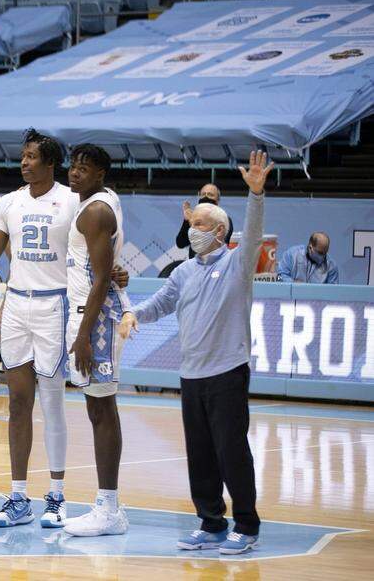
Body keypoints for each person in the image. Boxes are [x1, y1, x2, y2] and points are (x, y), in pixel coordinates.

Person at [121, 151, 272, 555]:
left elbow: (254, 235)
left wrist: (256, 195)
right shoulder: (184, 272)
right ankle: (211, 522)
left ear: (220, 231)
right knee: (199, 455)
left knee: (232, 452)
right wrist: (134, 313)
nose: (193, 230)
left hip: (227, 373)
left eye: (201, 225)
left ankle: (247, 525)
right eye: (192, 224)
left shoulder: (238, 264)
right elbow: (161, 302)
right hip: (191, 376)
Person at [0, 129, 77, 528]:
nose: (24, 162)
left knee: (52, 401)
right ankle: (18, 497)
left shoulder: (72, 201)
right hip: (16, 303)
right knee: (18, 402)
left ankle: (57, 495)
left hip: (55, 303)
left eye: (32, 156)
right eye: (23, 156)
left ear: (51, 162)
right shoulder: (10, 203)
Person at [62, 144, 130, 538]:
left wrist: (84, 334)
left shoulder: (96, 211)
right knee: (97, 408)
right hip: (90, 314)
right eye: (73, 166)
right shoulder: (99, 202)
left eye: (84, 168)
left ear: (100, 173)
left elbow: (102, 279)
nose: (75, 173)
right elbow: (106, 269)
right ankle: (109, 505)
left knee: (102, 409)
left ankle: (109, 508)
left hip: (96, 319)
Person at [176, 184, 232, 259]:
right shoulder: (193, 218)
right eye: (203, 194)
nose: (206, 197)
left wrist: (193, 223)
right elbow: (181, 243)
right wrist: (186, 222)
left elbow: (214, 245)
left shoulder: (224, 219)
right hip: (195, 264)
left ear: (218, 200)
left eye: (210, 195)